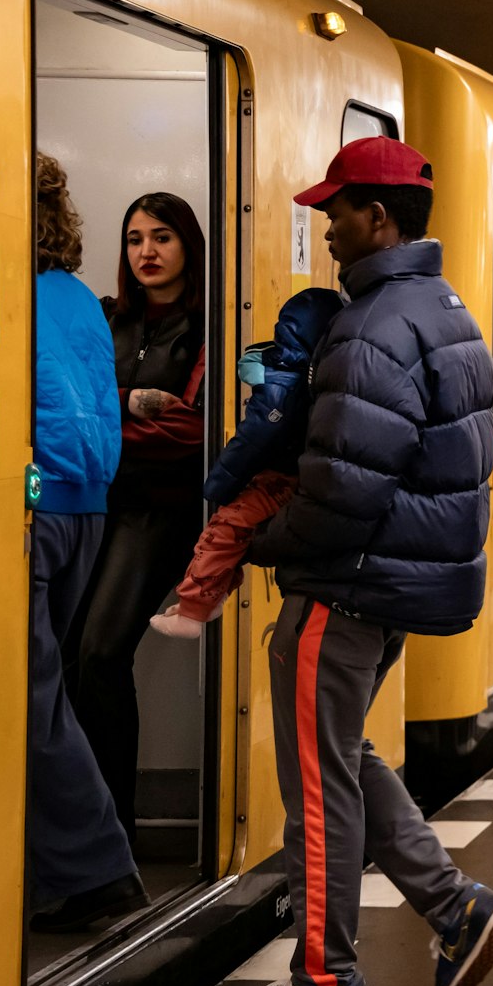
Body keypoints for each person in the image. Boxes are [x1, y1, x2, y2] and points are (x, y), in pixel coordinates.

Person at [216, 137, 493, 986]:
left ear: (377, 218)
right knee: (340, 755)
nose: (326, 227)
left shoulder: (371, 327)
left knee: (316, 786)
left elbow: (342, 489)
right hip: (388, 588)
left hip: (342, 587)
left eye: (336, 210)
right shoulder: (446, 311)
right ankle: (455, 906)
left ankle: (326, 981)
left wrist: (257, 539)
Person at [25, 155, 147, 933]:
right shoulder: (76, 296)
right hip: (87, 509)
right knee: (42, 691)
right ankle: (55, 872)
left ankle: (102, 870)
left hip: (33, 509)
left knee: (29, 698)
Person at [67, 192, 208, 845]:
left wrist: (108, 417)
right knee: (69, 659)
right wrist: (132, 402)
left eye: (162, 237)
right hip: (98, 502)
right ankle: (87, 831)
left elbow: (192, 431)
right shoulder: (106, 317)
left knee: (100, 653)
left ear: (188, 245)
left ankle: (114, 835)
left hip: (161, 512)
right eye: (134, 239)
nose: (146, 251)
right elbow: (73, 403)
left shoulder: (207, 327)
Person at [149, 289, 344, 640]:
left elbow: (254, 438)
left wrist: (220, 483)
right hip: (311, 477)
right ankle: (210, 598)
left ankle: (192, 612)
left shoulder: (281, 386)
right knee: (237, 537)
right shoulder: (335, 370)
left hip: (281, 478)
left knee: (224, 530)